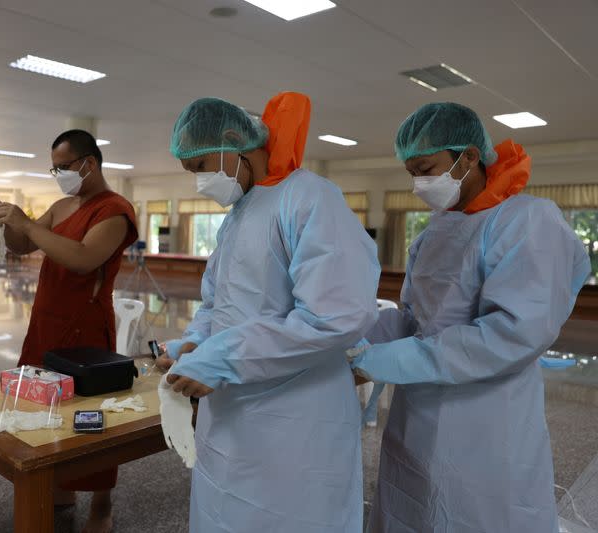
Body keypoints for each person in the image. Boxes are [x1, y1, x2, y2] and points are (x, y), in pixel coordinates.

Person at [350, 102, 591, 533]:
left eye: (426, 168)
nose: (419, 183)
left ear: (469, 156)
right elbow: (412, 319)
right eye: (411, 173)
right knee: (414, 507)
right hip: (417, 412)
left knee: (475, 514)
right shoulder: (436, 231)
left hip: (485, 419)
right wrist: (354, 339)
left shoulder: (528, 222)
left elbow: (512, 334)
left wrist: (390, 361)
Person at [156, 93, 380, 532]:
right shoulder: (239, 215)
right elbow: (218, 305)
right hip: (229, 411)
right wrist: (193, 344)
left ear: (233, 141)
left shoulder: (310, 199)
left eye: (200, 167)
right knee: (224, 513)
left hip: (295, 418)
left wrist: (224, 357)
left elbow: (331, 317)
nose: (199, 182)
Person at [0, 129, 137, 533]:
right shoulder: (63, 205)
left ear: (90, 163)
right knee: (43, 407)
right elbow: (21, 246)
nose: (59, 174)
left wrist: (29, 226)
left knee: (92, 417)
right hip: (47, 322)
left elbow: (83, 259)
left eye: (64, 167)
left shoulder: (115, 211)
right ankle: (61, 484)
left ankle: (102, 505)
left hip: (85, 329)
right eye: (54, 168)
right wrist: (9, 221)